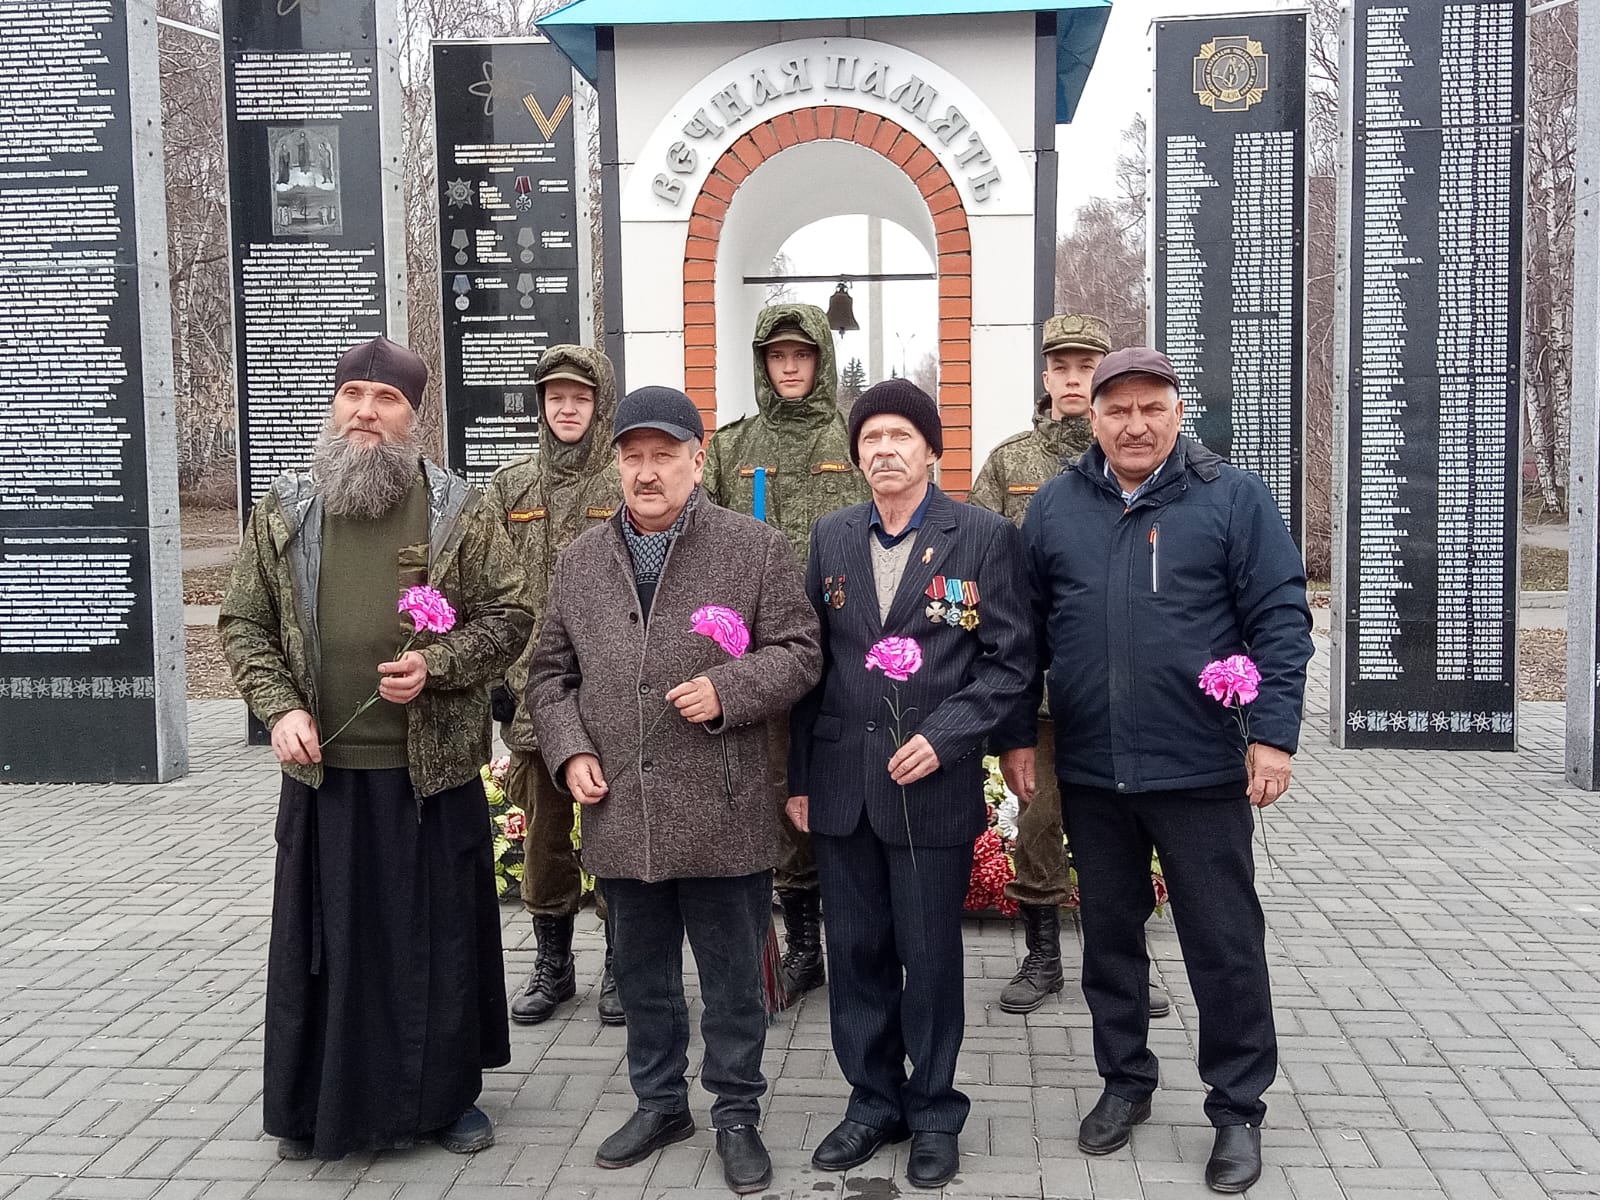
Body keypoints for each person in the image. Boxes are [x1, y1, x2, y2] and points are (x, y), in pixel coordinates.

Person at [997, 347, 1312, 1193]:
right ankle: (1125, 1081)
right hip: (1093, 769)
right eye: (1118, 410)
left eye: (1151, 408)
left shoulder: (1231, 498)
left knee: (1224, 944)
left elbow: (1281, 619)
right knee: (1109, 940)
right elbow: (1023, 633)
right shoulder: (1057, 506)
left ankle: (1237, 1108)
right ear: (1090, 418)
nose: (1135, 425)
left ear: (1177, 411)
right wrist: (1018, 734)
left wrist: (1272, 735)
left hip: (1199, 768)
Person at [219, 335, 531, 1161]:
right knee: (326, 949)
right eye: (353, 395)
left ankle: (446, 1101)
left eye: (386, 399)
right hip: (324, 772)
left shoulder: (459, 508)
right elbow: (244, 622)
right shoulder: (286, 508)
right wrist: (279, 708)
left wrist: (438, 664)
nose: (366, 412)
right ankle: (311, 1108)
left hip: (431, 775)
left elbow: (510, 616)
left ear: (411, 416)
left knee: (434, 943)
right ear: (334, 405)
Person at [527, 386, 822, 1195]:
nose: (647, 472)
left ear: (698, 459)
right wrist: (570, 751)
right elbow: (548, 676)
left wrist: (730, 688)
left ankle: (736, 1114)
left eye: (665, 455)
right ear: (617, 465)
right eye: (634, 457)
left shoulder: (753, 548)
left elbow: (801, 652)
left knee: (733, 983)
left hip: (722, 811)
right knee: (644, 979)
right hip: (621, 810)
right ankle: (660, 1105)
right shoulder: (580, 561)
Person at [787, 380, 1033, 1190]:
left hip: (930, 785)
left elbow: (1010, 663)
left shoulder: (983, 537)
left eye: (900, 436)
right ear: (857, 455)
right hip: (842, 784)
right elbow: (810, 663)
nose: (885, 450)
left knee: (928, 959)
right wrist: (800, 776)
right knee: (855, 953)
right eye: (871, 438)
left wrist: (947, 736)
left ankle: (932, 1111)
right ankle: (872, 1103)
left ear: (931, 450)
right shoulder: (831, 536)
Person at [968, 315, 1173, 1020]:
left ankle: (1125, 964)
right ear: (1047, 377)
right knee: (1038, 820)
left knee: (1125, 828)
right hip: (1041, 687)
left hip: (1121, 688)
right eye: (1062, 367)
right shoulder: (1010, 463)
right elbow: (979, 559)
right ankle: (1043, 955)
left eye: (1087, 366)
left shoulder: (1133, 455)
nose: (1074, 379)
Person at [703, 302, 868, 1001]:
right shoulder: (732, 448)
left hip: (845, 654)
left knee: (845, 794)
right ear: (762, 363)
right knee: (779, 795)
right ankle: (801, 945)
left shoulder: (853, 439)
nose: (790, 366)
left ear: (822, 359)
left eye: (802, 354)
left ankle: (859, 941)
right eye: (777, 356)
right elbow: (704, 545)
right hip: (761, 660)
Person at [484, 346, 625, 1028]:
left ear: (601, 404)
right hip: (534, 699)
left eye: (580, 397)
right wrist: (495, 681)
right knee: (544, 838)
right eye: (554, 397)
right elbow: (483, 586)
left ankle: (623, 963)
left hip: (614, 697)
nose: (567, 408)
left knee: (617, 832)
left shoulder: (625, 481)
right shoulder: (510, 487)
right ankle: (553, 964)